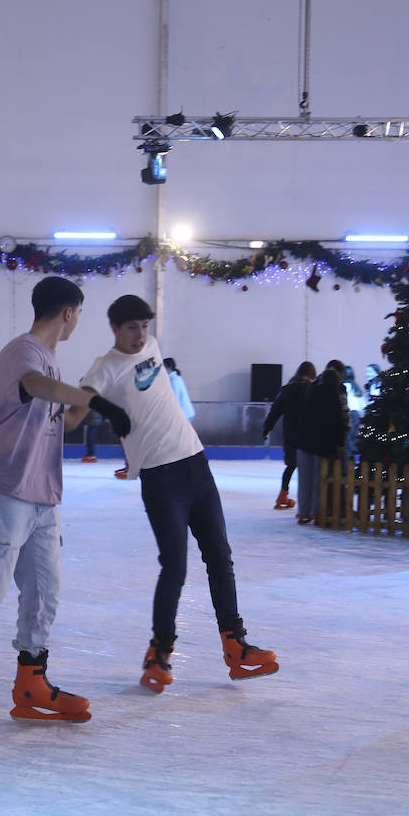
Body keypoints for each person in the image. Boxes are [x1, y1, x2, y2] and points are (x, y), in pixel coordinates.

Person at [78, 295, 279, 689]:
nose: (140, 335)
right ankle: (159, 654)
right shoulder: (105, 368)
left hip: (196, 464)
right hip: (160, 477)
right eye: (132, 327)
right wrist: (99, 405)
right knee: (175, 566)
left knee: (220, 556)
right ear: (115, 329)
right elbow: (79, 401)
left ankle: (235, 646)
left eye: (145, 326)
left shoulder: (152, 348)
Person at [0, 276, 131, 723]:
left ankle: (31, 683)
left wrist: (94, 395)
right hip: (7, 488)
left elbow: (65, 422)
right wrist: (85, 397)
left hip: (42, 494)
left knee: (44, 591)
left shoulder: (51, 362)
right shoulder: (24, 353)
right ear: (69, 313)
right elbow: (36, 387)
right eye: (78, 316)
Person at [295, 361, 349, 525]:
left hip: (304, 440)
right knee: (320, 479)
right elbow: (339, 420)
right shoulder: (336, 393)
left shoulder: (312, 388)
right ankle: (316, 513)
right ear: (339, 374)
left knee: (305, 479)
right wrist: (340, 441)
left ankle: (304, 513)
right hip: (322, 443)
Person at [262, 361, 317, 510]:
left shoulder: (287, 390)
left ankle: (282, 496)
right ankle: (312, 503)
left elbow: (275, 411)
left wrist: (266, 428)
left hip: (291, 434)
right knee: (311, 468)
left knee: (291, 465)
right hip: (310, 435)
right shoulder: (314, 389)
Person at [164, 357, 194, 422]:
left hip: (184, 414)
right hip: (186, 413)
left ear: (167, 367)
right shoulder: (176, 377)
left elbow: (175, 400)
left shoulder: (174, 380)